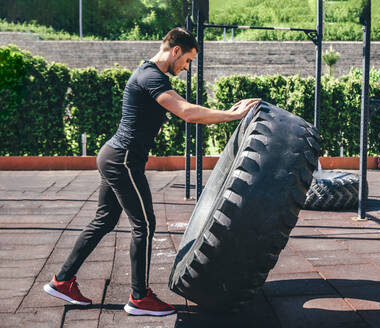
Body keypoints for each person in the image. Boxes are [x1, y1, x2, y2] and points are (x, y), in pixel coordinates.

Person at [43, 27, 260, 317]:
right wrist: (233, 115)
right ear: (175, 51)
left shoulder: (149, 74)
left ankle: (62, 280)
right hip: (123, 160)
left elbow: (187, 108)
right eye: (187, 60)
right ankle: (139, 297)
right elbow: (188, 112)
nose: (187, 67)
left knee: (105, 220)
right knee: (144, 225)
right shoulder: (151, 77)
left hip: (114, 156)